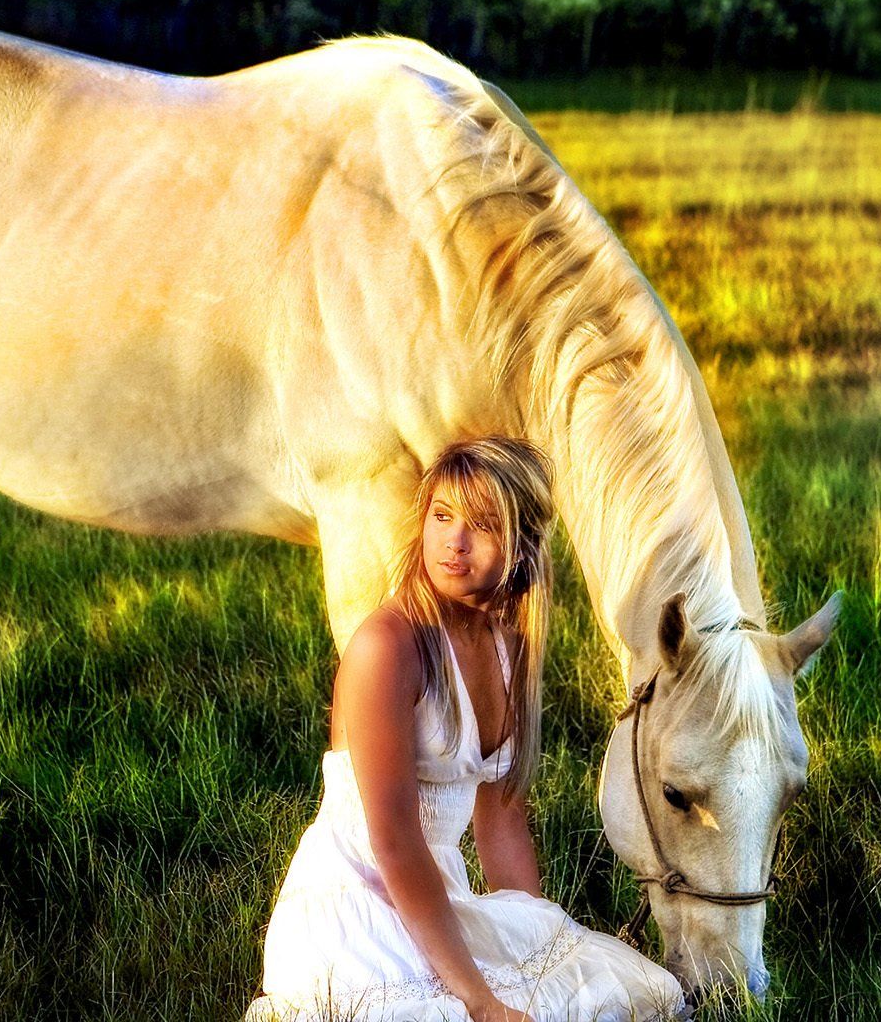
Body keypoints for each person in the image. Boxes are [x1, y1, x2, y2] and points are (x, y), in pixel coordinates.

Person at [247, 437, 687, 1021]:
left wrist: (539, 941)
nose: (454, 542)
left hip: (438, 898)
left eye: (482, 525)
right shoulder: (387, 646)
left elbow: (502, 820)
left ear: (525, 546)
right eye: (442, 515)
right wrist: (481, 999)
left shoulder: (509, 648)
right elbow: (394, 842)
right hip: (356, 908)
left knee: (630, 993)